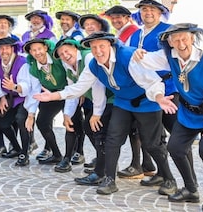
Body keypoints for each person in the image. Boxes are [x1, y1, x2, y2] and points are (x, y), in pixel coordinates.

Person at [34, 32, 178, 197]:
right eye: (94, 47)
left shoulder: (127, 56)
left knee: (152, 143)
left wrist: (159, 98)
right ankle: (109, 179)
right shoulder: (94, 65)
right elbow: (79, 87)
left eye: (101, 46)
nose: (98, 51)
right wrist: (53, 96)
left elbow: (152, 81)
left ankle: (169, 179)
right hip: (122, 102)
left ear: (110, 45)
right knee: (112, 139)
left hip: (146, 101)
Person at [133, 23, 203, 211]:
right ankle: (191, 189)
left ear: (192, 38)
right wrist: (139, 55)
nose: (181, 43)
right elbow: (148, 60)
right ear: (170, 42)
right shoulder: (170, 56)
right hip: (188, 113)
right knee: (175, 148)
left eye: (184, 38)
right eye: (175, 39)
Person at [122, 0, 174, 181]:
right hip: (144, 92)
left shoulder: (169, 30)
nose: (148, 13)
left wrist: (146, 58)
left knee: (174, 134)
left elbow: (171, 56)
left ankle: (180, 179)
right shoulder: (136, 35)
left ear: (160, 13)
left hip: (168, 90)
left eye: (152, 9)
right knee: (152, 135)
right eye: (144, 10)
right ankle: (159, 172)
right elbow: (128, 58)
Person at [51, 38, 108, 178]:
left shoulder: (88, 57)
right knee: (89, 127)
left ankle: (105, 164)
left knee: (95, 128)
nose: (65, 55)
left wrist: (97, 112)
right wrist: (67, 114)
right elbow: (72, 89)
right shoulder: (67, 65)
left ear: (75, 48)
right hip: (96, 100)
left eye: (66, 51)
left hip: (109, 97)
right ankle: (104, 161)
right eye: (61, 54)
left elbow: (98, 86)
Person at [0, 37, 34, 166]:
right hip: (9, 97)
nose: (4, 51)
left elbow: (26, 85)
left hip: (25, 97)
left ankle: (24, 153)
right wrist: (0, 95)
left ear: (12, 49)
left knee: (21, 120)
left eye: (7, 48)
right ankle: (16, 148)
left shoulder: (22, 62)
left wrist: (14, 87)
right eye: (2, 49)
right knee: (3, 122)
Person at [24, 38, 67, 165]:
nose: (37, 53)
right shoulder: (34, 68)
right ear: (31, 53)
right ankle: (56, 154)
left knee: (73, 121)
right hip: (49, 95)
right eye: (34, 50)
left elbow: (70, 73)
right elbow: (35, 90)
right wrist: (31, 114)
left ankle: (75, 153)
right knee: (42, 121)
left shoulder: (57, 58)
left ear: (45, 48)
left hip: (68, 91)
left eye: (39, 49)